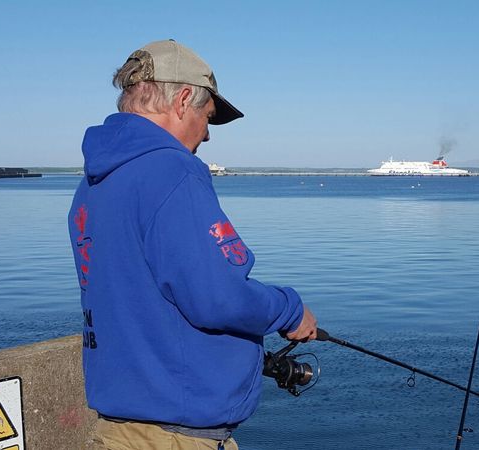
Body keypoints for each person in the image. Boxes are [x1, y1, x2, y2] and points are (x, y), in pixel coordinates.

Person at [68, 39, 318, 450]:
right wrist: (289, 308)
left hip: (117, 430)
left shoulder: (94, 183)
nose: (207, 136)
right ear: (184, 98)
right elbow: (218, 297)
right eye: (208, 116)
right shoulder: (173, 172)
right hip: (174, 438)